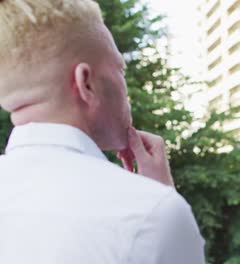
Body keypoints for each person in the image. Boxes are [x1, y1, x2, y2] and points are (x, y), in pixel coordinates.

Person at [0, 1, 205, 263]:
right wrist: (160, 202)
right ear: (85, 83)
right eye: (120, 69)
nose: (125, 86)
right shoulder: (152, 216)